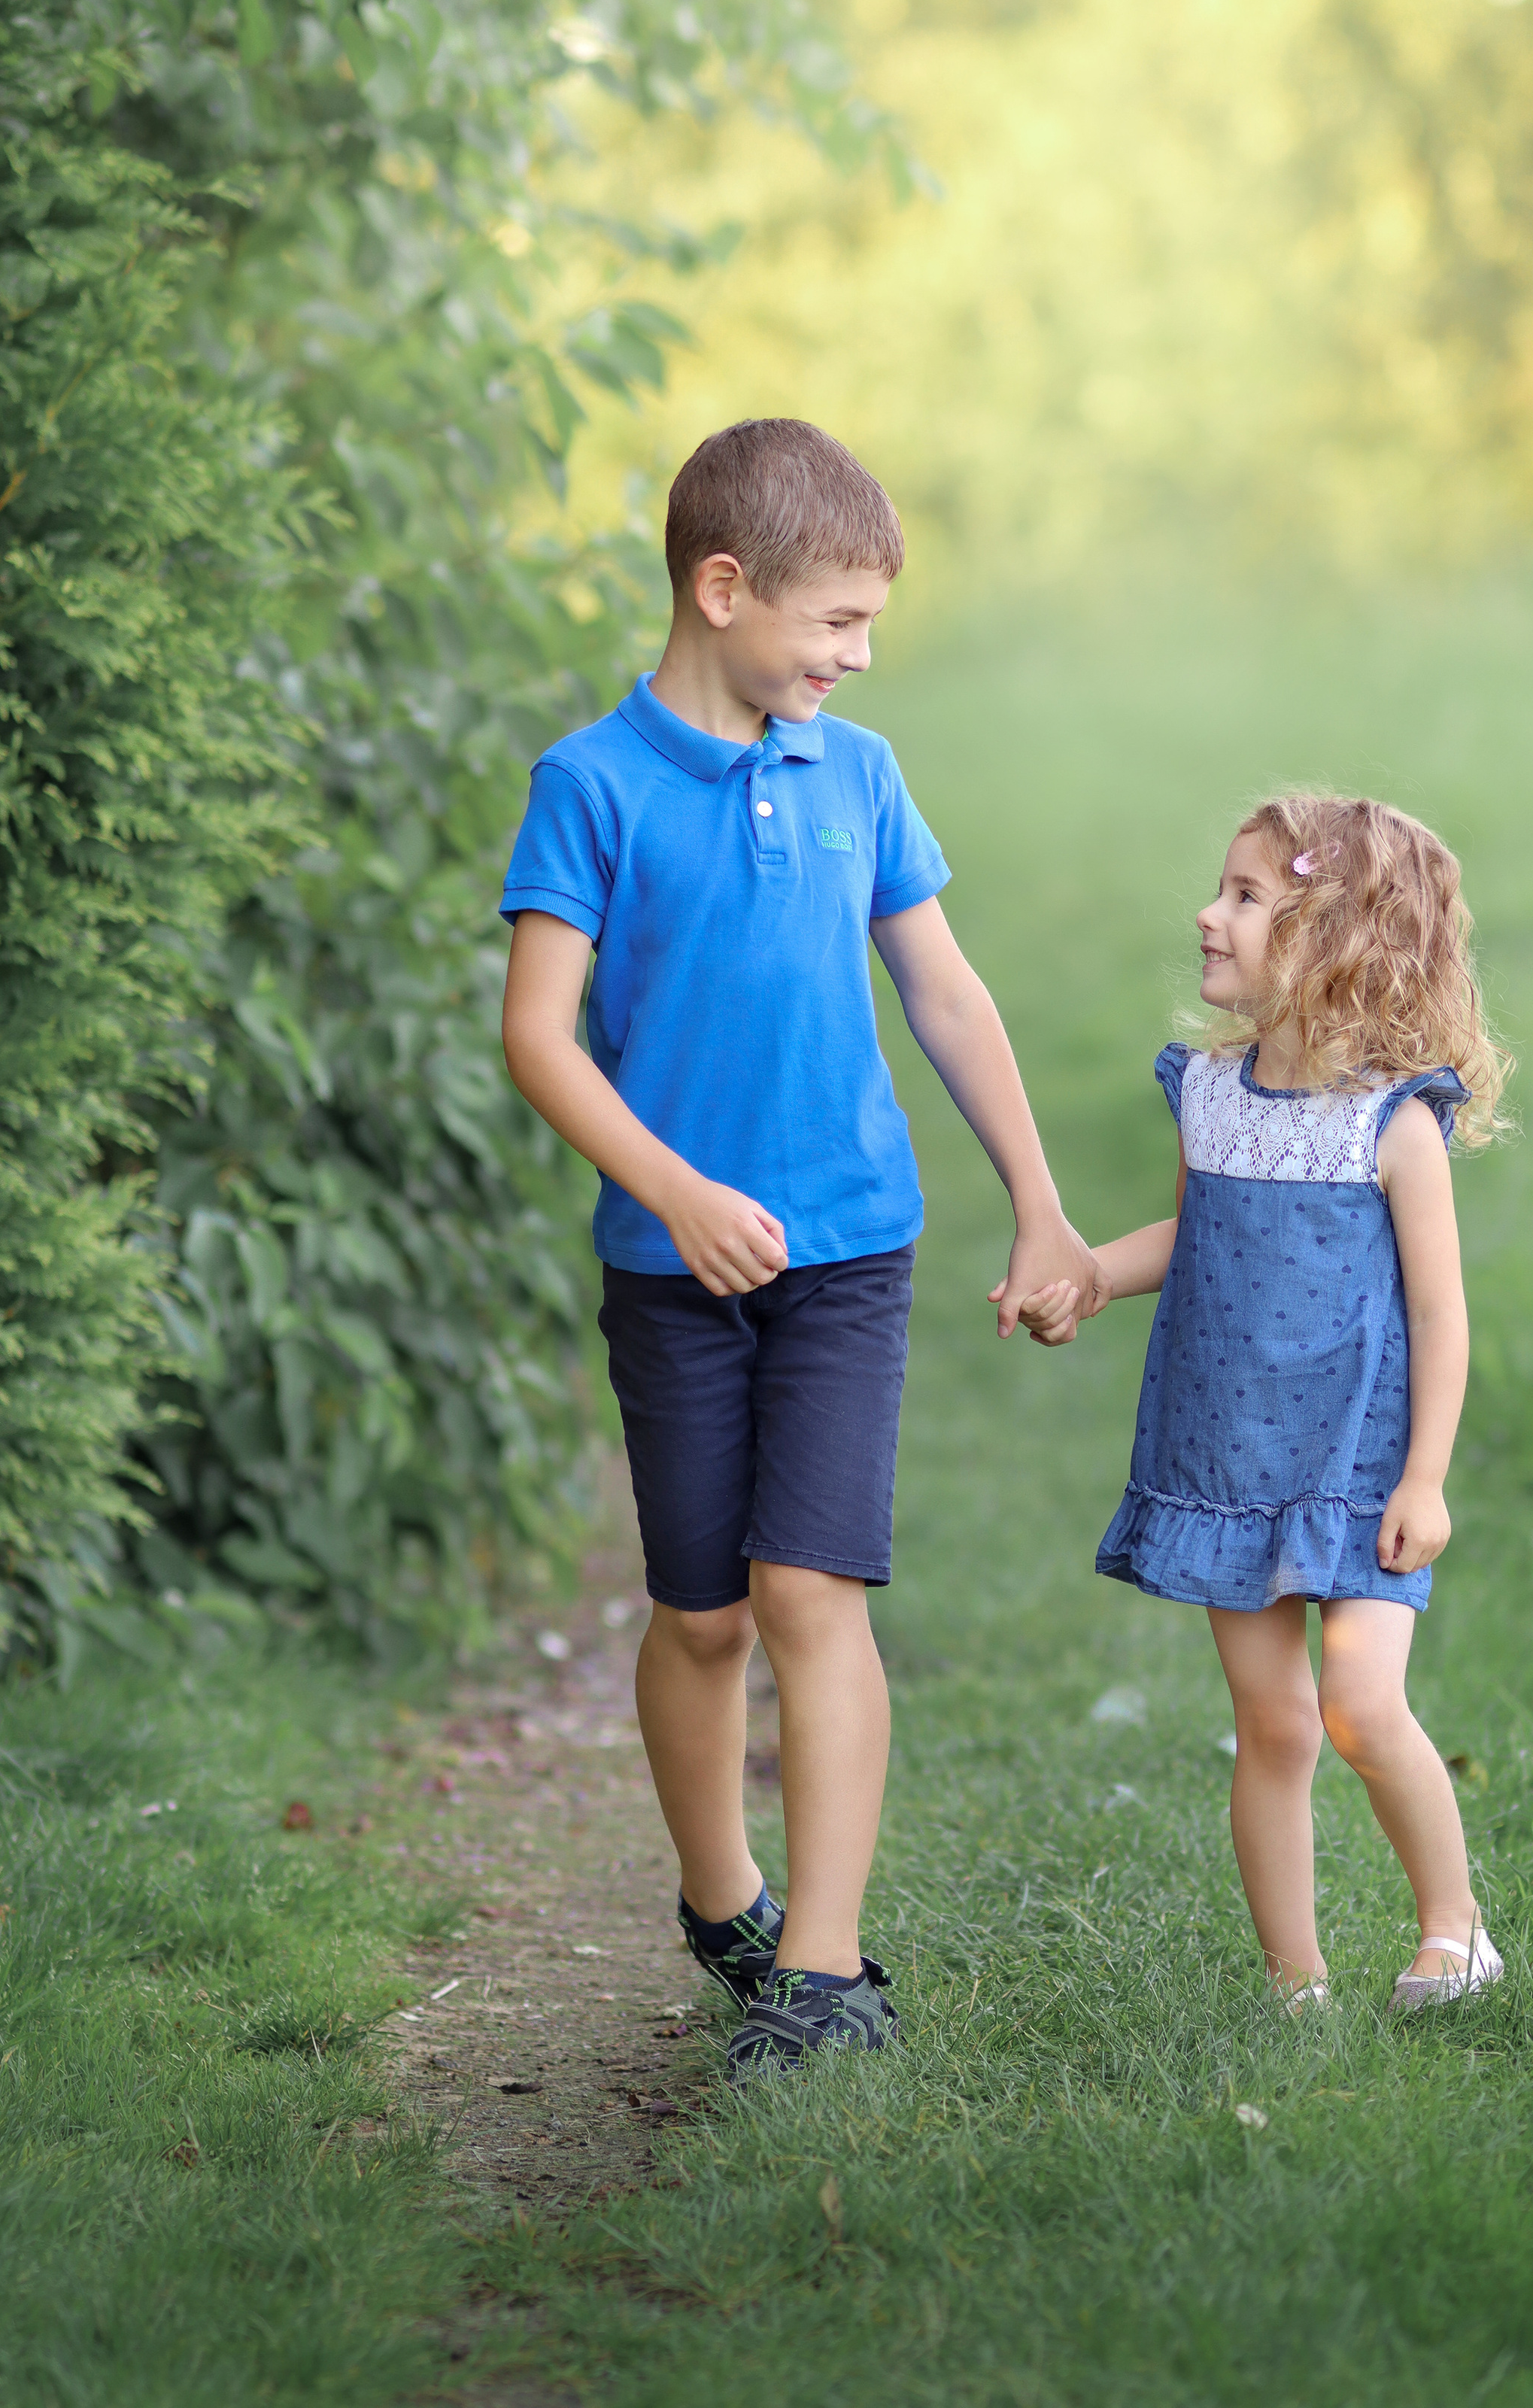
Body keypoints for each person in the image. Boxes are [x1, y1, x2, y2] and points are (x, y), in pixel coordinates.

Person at [498, 418, 1097, 2071]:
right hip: (670, 1265)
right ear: (720, 588)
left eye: (866, 629)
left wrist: (1038, 1202)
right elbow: (540, 1037)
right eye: (834, 623)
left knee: (807, 1587)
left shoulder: (861, 773)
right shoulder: (590, 785)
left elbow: (947, 995)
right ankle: (724, 1899)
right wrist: (676, 1192)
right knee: (701, 1612)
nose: (855, 654)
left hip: (848, 1250)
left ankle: (821, 1975)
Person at [1017, 793, 1513, 2010]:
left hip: (1357, 1458)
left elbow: (1442, 1314)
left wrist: (1426, 1477)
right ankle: (1296, 1982)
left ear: (1336, 938)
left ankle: (1455, 1927)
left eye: (1246, 896)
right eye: (1221, 888)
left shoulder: (1396, 1126)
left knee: (1357, 1702)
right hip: (1228, 1459)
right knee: (1274, 1722)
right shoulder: (1208, 1089)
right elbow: (1193, 1237)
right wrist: (1088, 1274)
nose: (1210, 912)